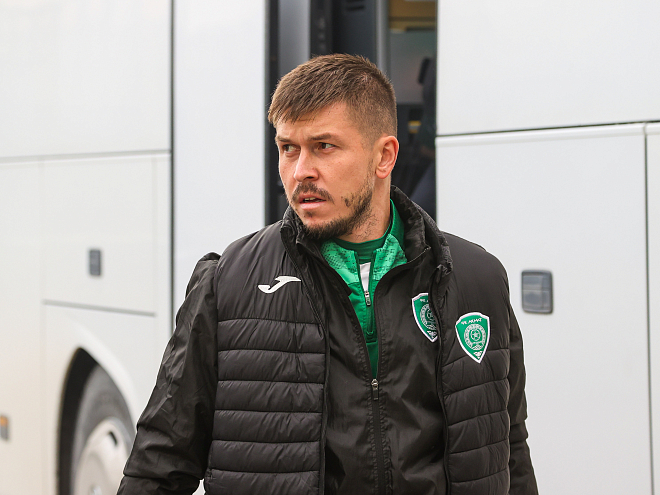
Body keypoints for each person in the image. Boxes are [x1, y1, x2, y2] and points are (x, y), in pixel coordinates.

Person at [118, 54, 538, 495]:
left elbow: (507, 450)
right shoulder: (228, 282)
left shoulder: (476, 279)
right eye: (288, 148)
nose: (301, 171)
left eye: (324, 146)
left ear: (384, 156)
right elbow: (160, 463)